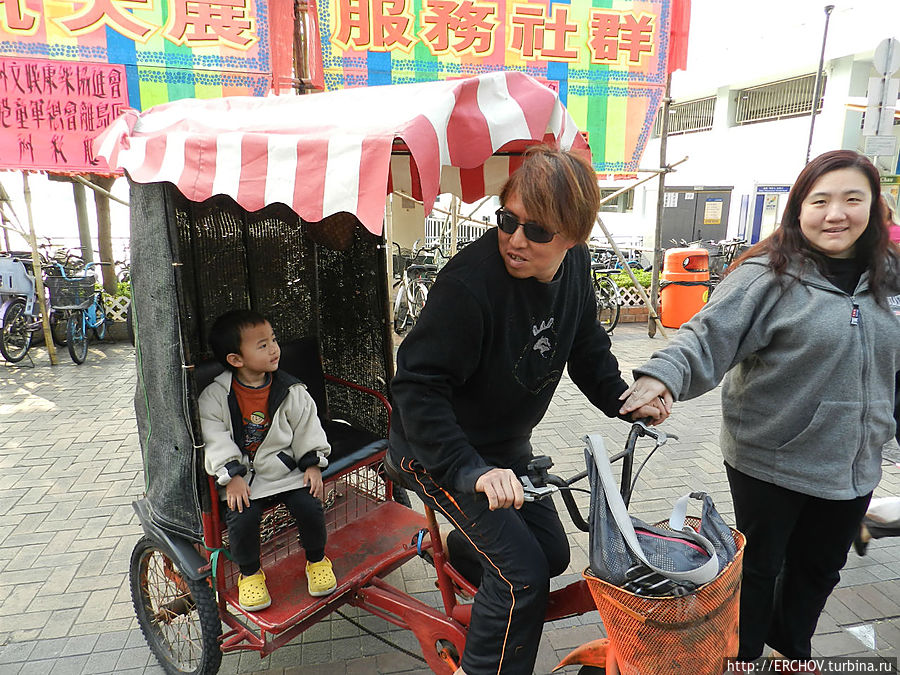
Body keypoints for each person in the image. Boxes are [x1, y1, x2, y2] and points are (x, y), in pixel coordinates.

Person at [387, 146, 667, 675]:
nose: (516, 240)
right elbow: (417, 388)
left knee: (551, 556)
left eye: (537, 232)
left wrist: (623, 401)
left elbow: (584, 342)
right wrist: (471, 470)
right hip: (438, 450)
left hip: (505, 447)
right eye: (507, 220)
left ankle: (456, 554)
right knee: (522, 576)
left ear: (573, 238)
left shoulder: (577, 267)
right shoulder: (467, 287)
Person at [620, 150, 900, 663]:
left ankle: (791, 649)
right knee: (760, 567)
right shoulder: (768, 276)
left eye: (852, 199)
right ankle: (743, 656)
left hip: (855, 463)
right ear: (798, 209)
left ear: (873, 207)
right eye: (821, 201)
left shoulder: (892, 277)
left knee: (820, 567)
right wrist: (662, 376)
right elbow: (705, 337)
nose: (836, 213)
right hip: (771, 457)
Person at [199, 309, 337, 611]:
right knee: (242, 517)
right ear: (236, 359)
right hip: (243, 477)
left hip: (283, 467)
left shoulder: (291, 390)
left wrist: (312, 464)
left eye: (273, 340)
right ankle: (249, 574)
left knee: (309, 503)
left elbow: (307, 427)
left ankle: (316, 559)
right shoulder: (214, 397)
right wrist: (232, 476)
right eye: (262, 345)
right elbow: (214, 437)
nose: (274, 348)